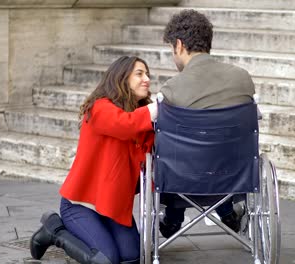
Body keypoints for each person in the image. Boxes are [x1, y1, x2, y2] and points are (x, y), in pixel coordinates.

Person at [29, 56, 157, 264]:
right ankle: (54, 231)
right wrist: (154, 109)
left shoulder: (139, 120)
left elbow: (146, 161)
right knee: (106, 260)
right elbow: (125, 125)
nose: (147, 79)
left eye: (147, 74)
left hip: (113, 208)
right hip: (80, 205)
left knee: (132, 258)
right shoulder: (100, 108)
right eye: (140, 74)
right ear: (122, 78)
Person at [158, 9, 256, 238]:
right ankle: (228, 212)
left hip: (183, 180)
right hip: (232, 175)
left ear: (179, 45)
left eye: (172, 49)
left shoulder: (172, 88)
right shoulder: (242, 78)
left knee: (169, 149)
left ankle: (173, 218)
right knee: (218, 147)